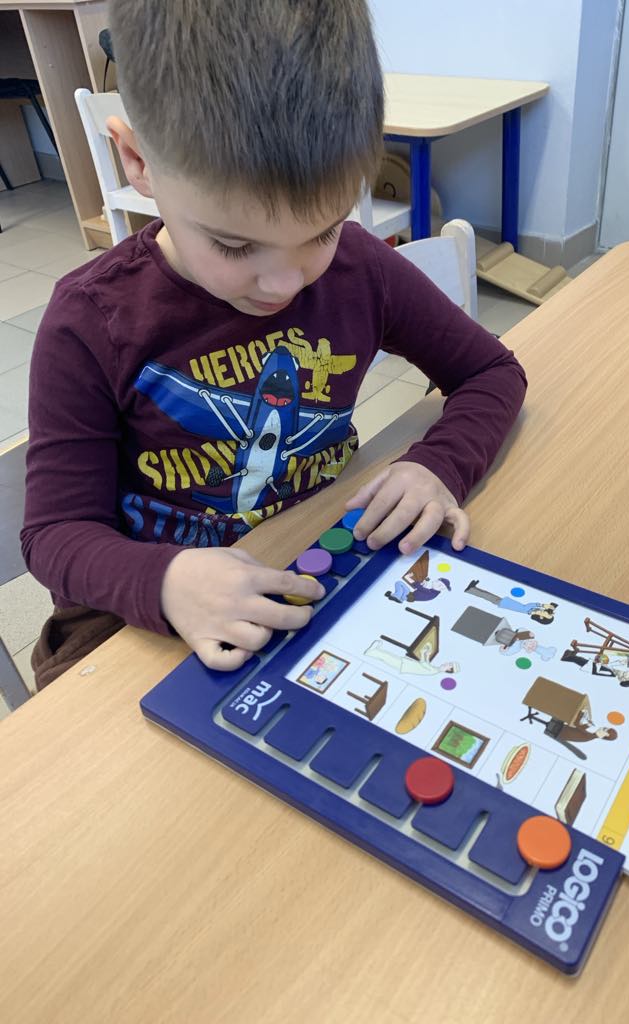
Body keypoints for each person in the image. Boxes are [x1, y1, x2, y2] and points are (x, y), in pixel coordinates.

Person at [21, 0, 527, 689]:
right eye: (235, 245)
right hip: (138, 614)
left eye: (322, 230)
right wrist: (164, 581)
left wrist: (437, 466)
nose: (286, 282)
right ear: (137, 160)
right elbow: (55, 536)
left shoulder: (361, 267)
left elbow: (492, 371)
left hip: (313, 553)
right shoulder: (90, 321)